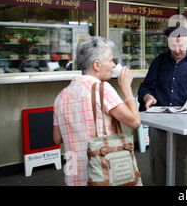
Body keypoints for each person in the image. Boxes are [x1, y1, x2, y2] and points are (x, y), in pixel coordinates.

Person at [53, 36, 140, 186]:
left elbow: (57, 139)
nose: (113, 65)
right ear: (97, 65)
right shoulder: (102, 89)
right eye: (110, 60)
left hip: (73, 176)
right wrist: (126, 88)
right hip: (101, 173)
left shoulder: (61, 97)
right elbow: (134, 122)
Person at [137, 25, 187, 186]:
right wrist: (147, 97)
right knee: (159, 159)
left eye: (181, 45)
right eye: (173, 46)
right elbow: (145, 87)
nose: (177, 50)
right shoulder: (159, 61)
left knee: (183, 160)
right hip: (160, 120)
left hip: (185, 120)